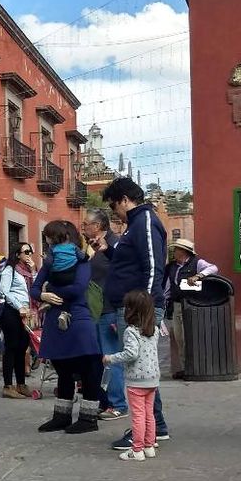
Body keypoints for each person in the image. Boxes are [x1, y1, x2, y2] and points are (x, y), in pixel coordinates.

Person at [101, 176, 170, 450]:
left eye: (114, 206)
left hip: (140, 308)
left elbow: (153, 266)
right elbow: (129, 263)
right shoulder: (135, 226)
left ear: (124, 200)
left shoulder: (144, 222)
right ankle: (157, 426)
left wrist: (145, 306)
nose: (115, 212)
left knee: (138, 371)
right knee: (144, 370)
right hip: (134, 306)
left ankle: (144, 429)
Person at [32, 221, 103, 434]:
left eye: (49, 237)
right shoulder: (49, 262)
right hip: (56, 319)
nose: (47, 241)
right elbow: (35, 288)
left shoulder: (82, 262)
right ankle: (61, 416)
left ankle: (89, 419)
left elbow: (79, 288)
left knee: (88, 370)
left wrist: (52, 289)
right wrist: (42, 294)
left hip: (78, 318)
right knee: (62, 368)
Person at [103, 290, 160, 461]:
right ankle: (149, 446)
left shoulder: (130, 331)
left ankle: (137, 449)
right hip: (152, 379)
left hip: (136, 380)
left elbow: (131, 353)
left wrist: (110, 358)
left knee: (138, 415)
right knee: (149, 414)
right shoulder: (154, 329)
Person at [82, 208, 126, 421]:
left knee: (112, 358)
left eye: (86, 224)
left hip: (110, 310)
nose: (83, 228)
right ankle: (107, 401)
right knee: (101, 359)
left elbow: (122, 274)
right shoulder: (93, 246)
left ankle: (118, 404)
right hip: (97, 311)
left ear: (97, 226)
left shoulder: (114, 243)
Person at [164, 238, 218, 377]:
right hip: (177, 305)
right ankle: (186, 368)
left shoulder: (197, 262)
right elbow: (169, 287)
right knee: (179, 338)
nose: (174, 252)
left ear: (183, 251)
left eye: (176, 249)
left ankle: (196, 368)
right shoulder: (172, 267)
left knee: (192, 337)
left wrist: (198, 276)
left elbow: (213, 268)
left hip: (192, 304)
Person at [0, 243, 34, 398]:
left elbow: (36, 289)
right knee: (11, 347)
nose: (29, 254)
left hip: (27, 313)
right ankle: (8, 385)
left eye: (30, 251)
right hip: (12, 311)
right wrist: (19, 306)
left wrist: (33, 271)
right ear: (18, 254)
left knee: (23, 347)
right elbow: (4, 291)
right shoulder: (10, 269)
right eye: (26, 251)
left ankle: (21, 383)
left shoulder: (29, 271)